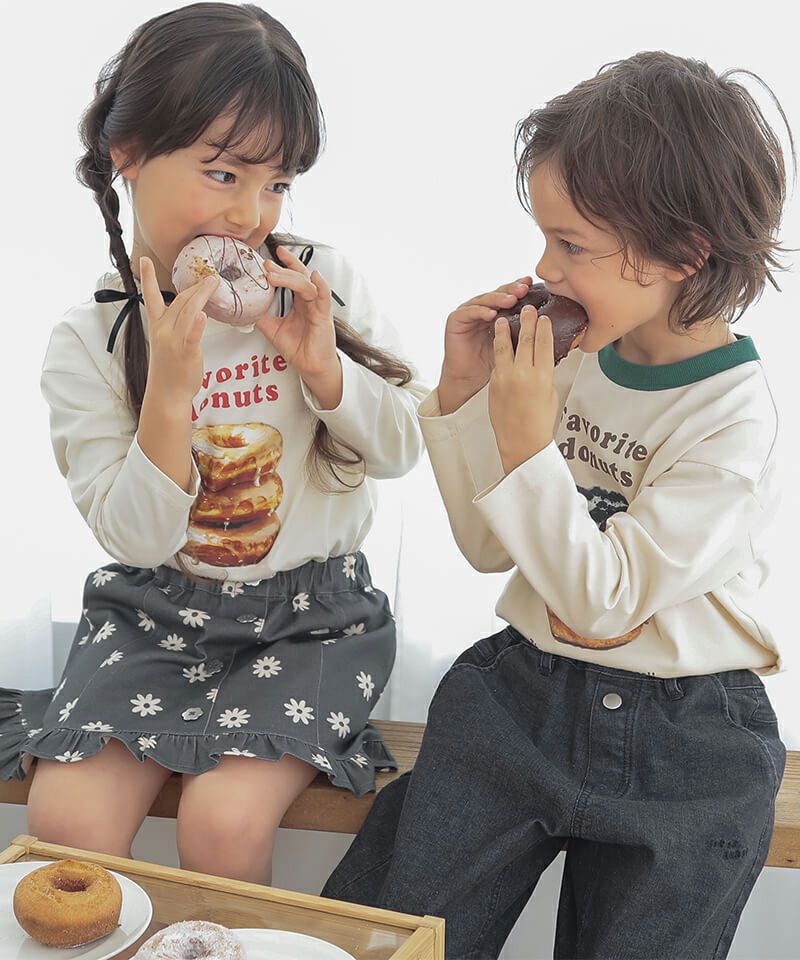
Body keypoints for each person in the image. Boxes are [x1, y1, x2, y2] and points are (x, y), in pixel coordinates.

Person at [322, 51, 792, 959]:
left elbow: (602, 600)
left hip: (689, 737)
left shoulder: (732, 423)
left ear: (682, 253)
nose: (545, 268)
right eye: (544, 238)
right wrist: (465, 399)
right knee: (391, 936)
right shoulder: (575, 359)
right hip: (523, 695)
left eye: (572, 245)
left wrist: (530, 443)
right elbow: (491, 548)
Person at [0, 2, 426, 884]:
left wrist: (323, 369)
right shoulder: (89, 339)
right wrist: (169, 389)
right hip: (154, 614)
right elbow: (135, 538)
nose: (249, 214)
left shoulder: (315, 282)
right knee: (65, 815)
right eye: (223, 173)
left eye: (276, 184)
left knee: (223, 826)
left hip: (310, 622)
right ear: (127, 154)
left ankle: (222, 943)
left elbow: (400, 450)